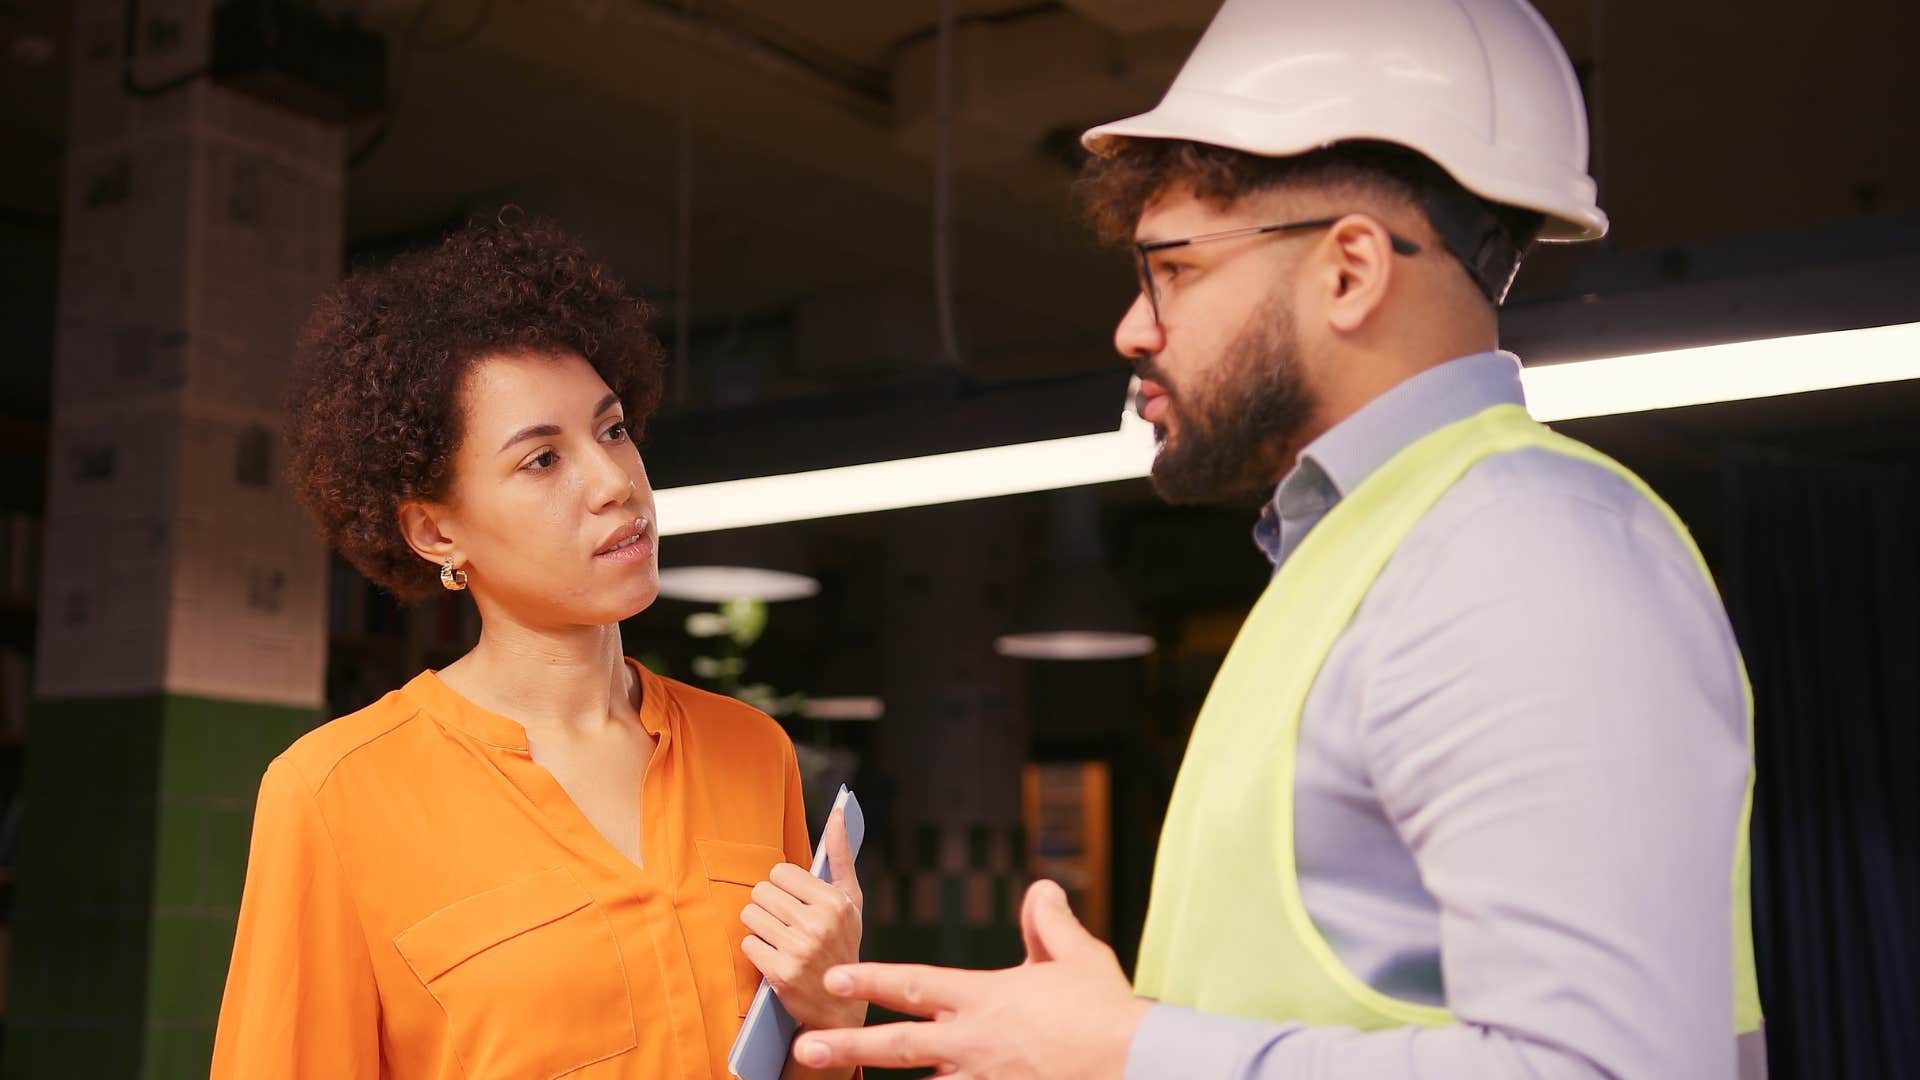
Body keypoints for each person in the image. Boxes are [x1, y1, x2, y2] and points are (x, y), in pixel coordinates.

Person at [790, 0, 1764, 1077]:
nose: (1133, 326)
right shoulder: (1369, 560)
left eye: (1175, 267)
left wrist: (1131, 1053)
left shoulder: (1525, 556)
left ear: (1350, 270)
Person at [211, 216, 865, 1079]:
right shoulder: (335, 794)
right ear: (435, 529)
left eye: (613, 429)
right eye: (541, 462)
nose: (614, 484)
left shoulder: (752, 750)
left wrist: (832, 1022)